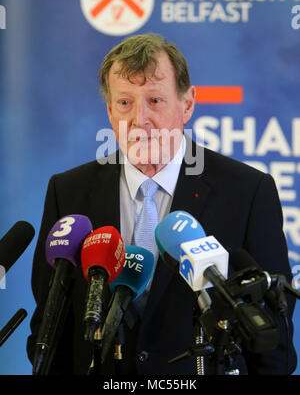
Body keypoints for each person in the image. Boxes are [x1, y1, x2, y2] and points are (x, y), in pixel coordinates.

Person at [27, 33, 297, 375]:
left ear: (187, 104)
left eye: (155, 100)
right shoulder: (68, 192)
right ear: (110, 112)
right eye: (125, 103)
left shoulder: (247, 192)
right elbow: (48, 331)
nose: (140, 119)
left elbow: (271, 341)